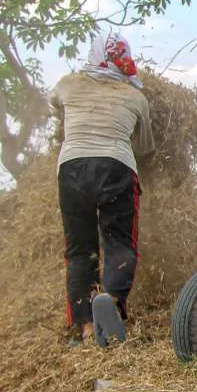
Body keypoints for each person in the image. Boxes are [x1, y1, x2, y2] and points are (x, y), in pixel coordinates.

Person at [50, 32, 155, 347]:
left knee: (79, 251)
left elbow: (54, 105)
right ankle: (111, 301)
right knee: (120, 243)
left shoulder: (68, 84)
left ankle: (84, 327)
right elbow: (145, 148)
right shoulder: (136, 97)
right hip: (116, 168)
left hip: (71, 169)